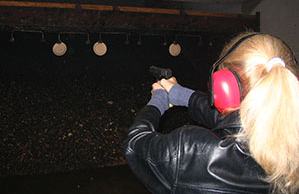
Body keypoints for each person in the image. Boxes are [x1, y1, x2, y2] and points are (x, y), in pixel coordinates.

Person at [122, 32, 299, 194]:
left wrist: (157, 102)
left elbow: (135, 143)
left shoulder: (189, 152)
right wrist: (183, 95)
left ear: (224, 87)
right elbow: (238, 123)